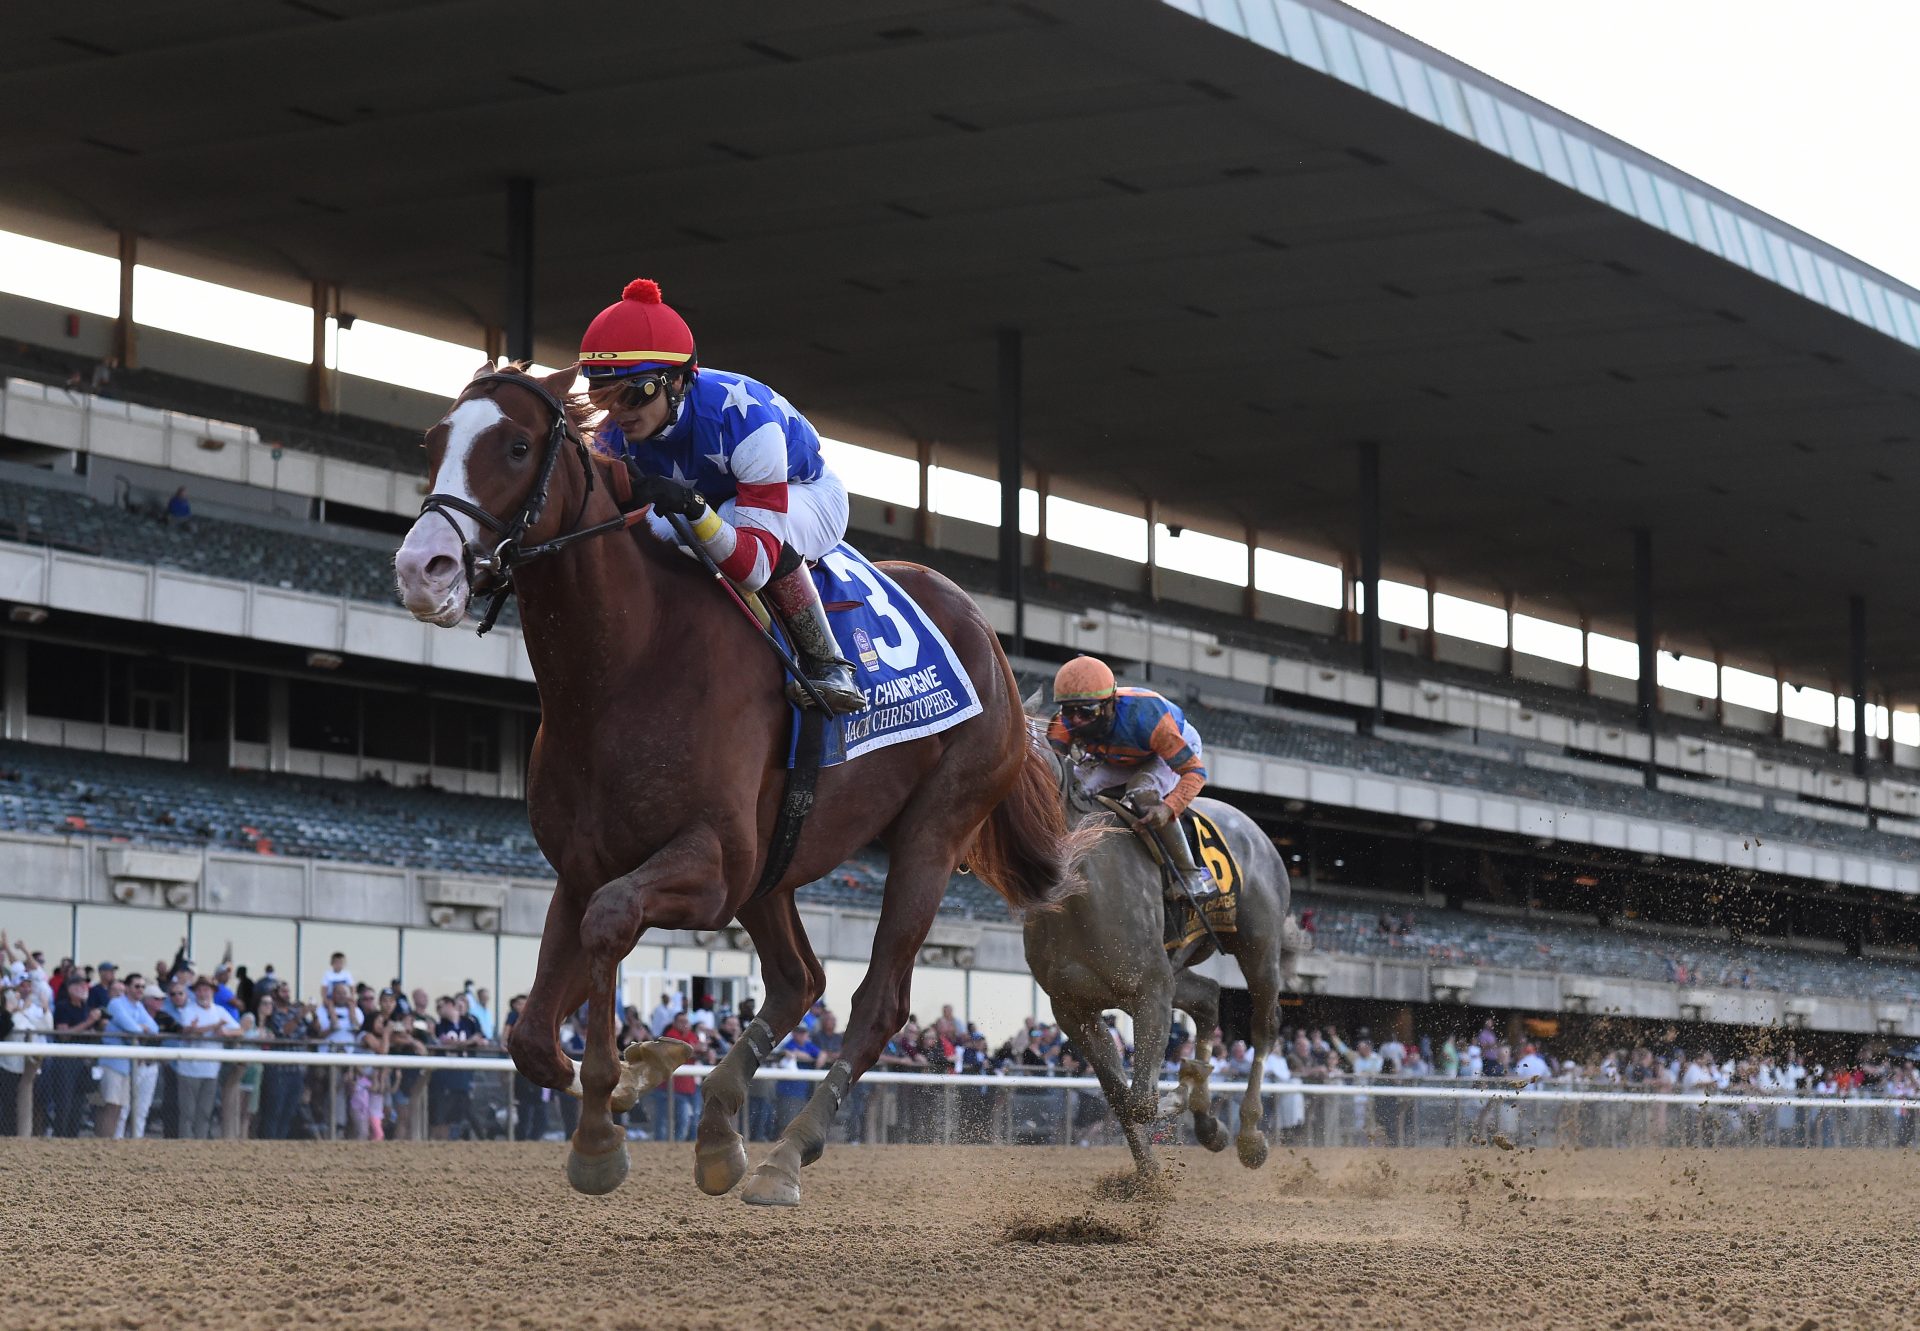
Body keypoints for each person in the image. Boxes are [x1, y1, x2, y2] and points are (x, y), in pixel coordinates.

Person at [578, 277, 866, 713]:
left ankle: (827, 664)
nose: (618, 412)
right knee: (649, 532)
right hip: (723, 501)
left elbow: (753, 567)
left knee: (724, 518)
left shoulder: (747, 423)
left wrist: (694, 509)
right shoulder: (612, 435)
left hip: (806, 495)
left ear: (676, 383)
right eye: (602, 394)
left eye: (634, 394)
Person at [1046, 655, 1216, 900]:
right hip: (1116, 756)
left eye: (1086, 711)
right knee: (1072, 789)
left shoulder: (1148, 718)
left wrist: (1169, 808)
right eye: (1069, 711)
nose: (1077, 721)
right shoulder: (1063, 723)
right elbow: (1053, 771)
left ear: (1109, 704)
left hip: (1161, 752)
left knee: (1140, 793)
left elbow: (1195, 772)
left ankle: (1190, 876)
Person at [99, 973, 160, 1139]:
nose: (140, 990)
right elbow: (134, 1029)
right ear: (127, 987)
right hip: (112, 1062)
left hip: (126, 1066)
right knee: (111, 1105)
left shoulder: (138, 1006)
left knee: (120, 1107)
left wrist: (139, 1027)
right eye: (136, 986)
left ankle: (112, 1143)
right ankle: (103, 1142)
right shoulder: (116, 1003)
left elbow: (154, 1028)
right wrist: (140, 1027)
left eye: (142, 987)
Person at [177, 977, 239, 1138]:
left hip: (211, 1070)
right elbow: (189, 1030)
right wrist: (214, 1027)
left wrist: (226, 1032)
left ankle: (200, 1146)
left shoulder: (219, 1011)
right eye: (199, 989)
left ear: (212, 991)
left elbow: (239, 1030)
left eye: (206, 989)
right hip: (188, 1070)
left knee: (205, 1112)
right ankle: (184, 1146)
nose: (202, 993)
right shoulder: (188, 1010)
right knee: (187, 1113)